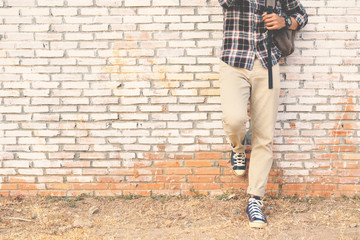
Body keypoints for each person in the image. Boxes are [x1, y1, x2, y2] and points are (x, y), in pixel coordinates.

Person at [217, 0, 308, 228]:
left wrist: (284, 21)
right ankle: (237, 147)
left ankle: (255, 200)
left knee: (264, 135)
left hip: (267, 63)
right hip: (234, 60)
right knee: (234, 119)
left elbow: (301, 15)